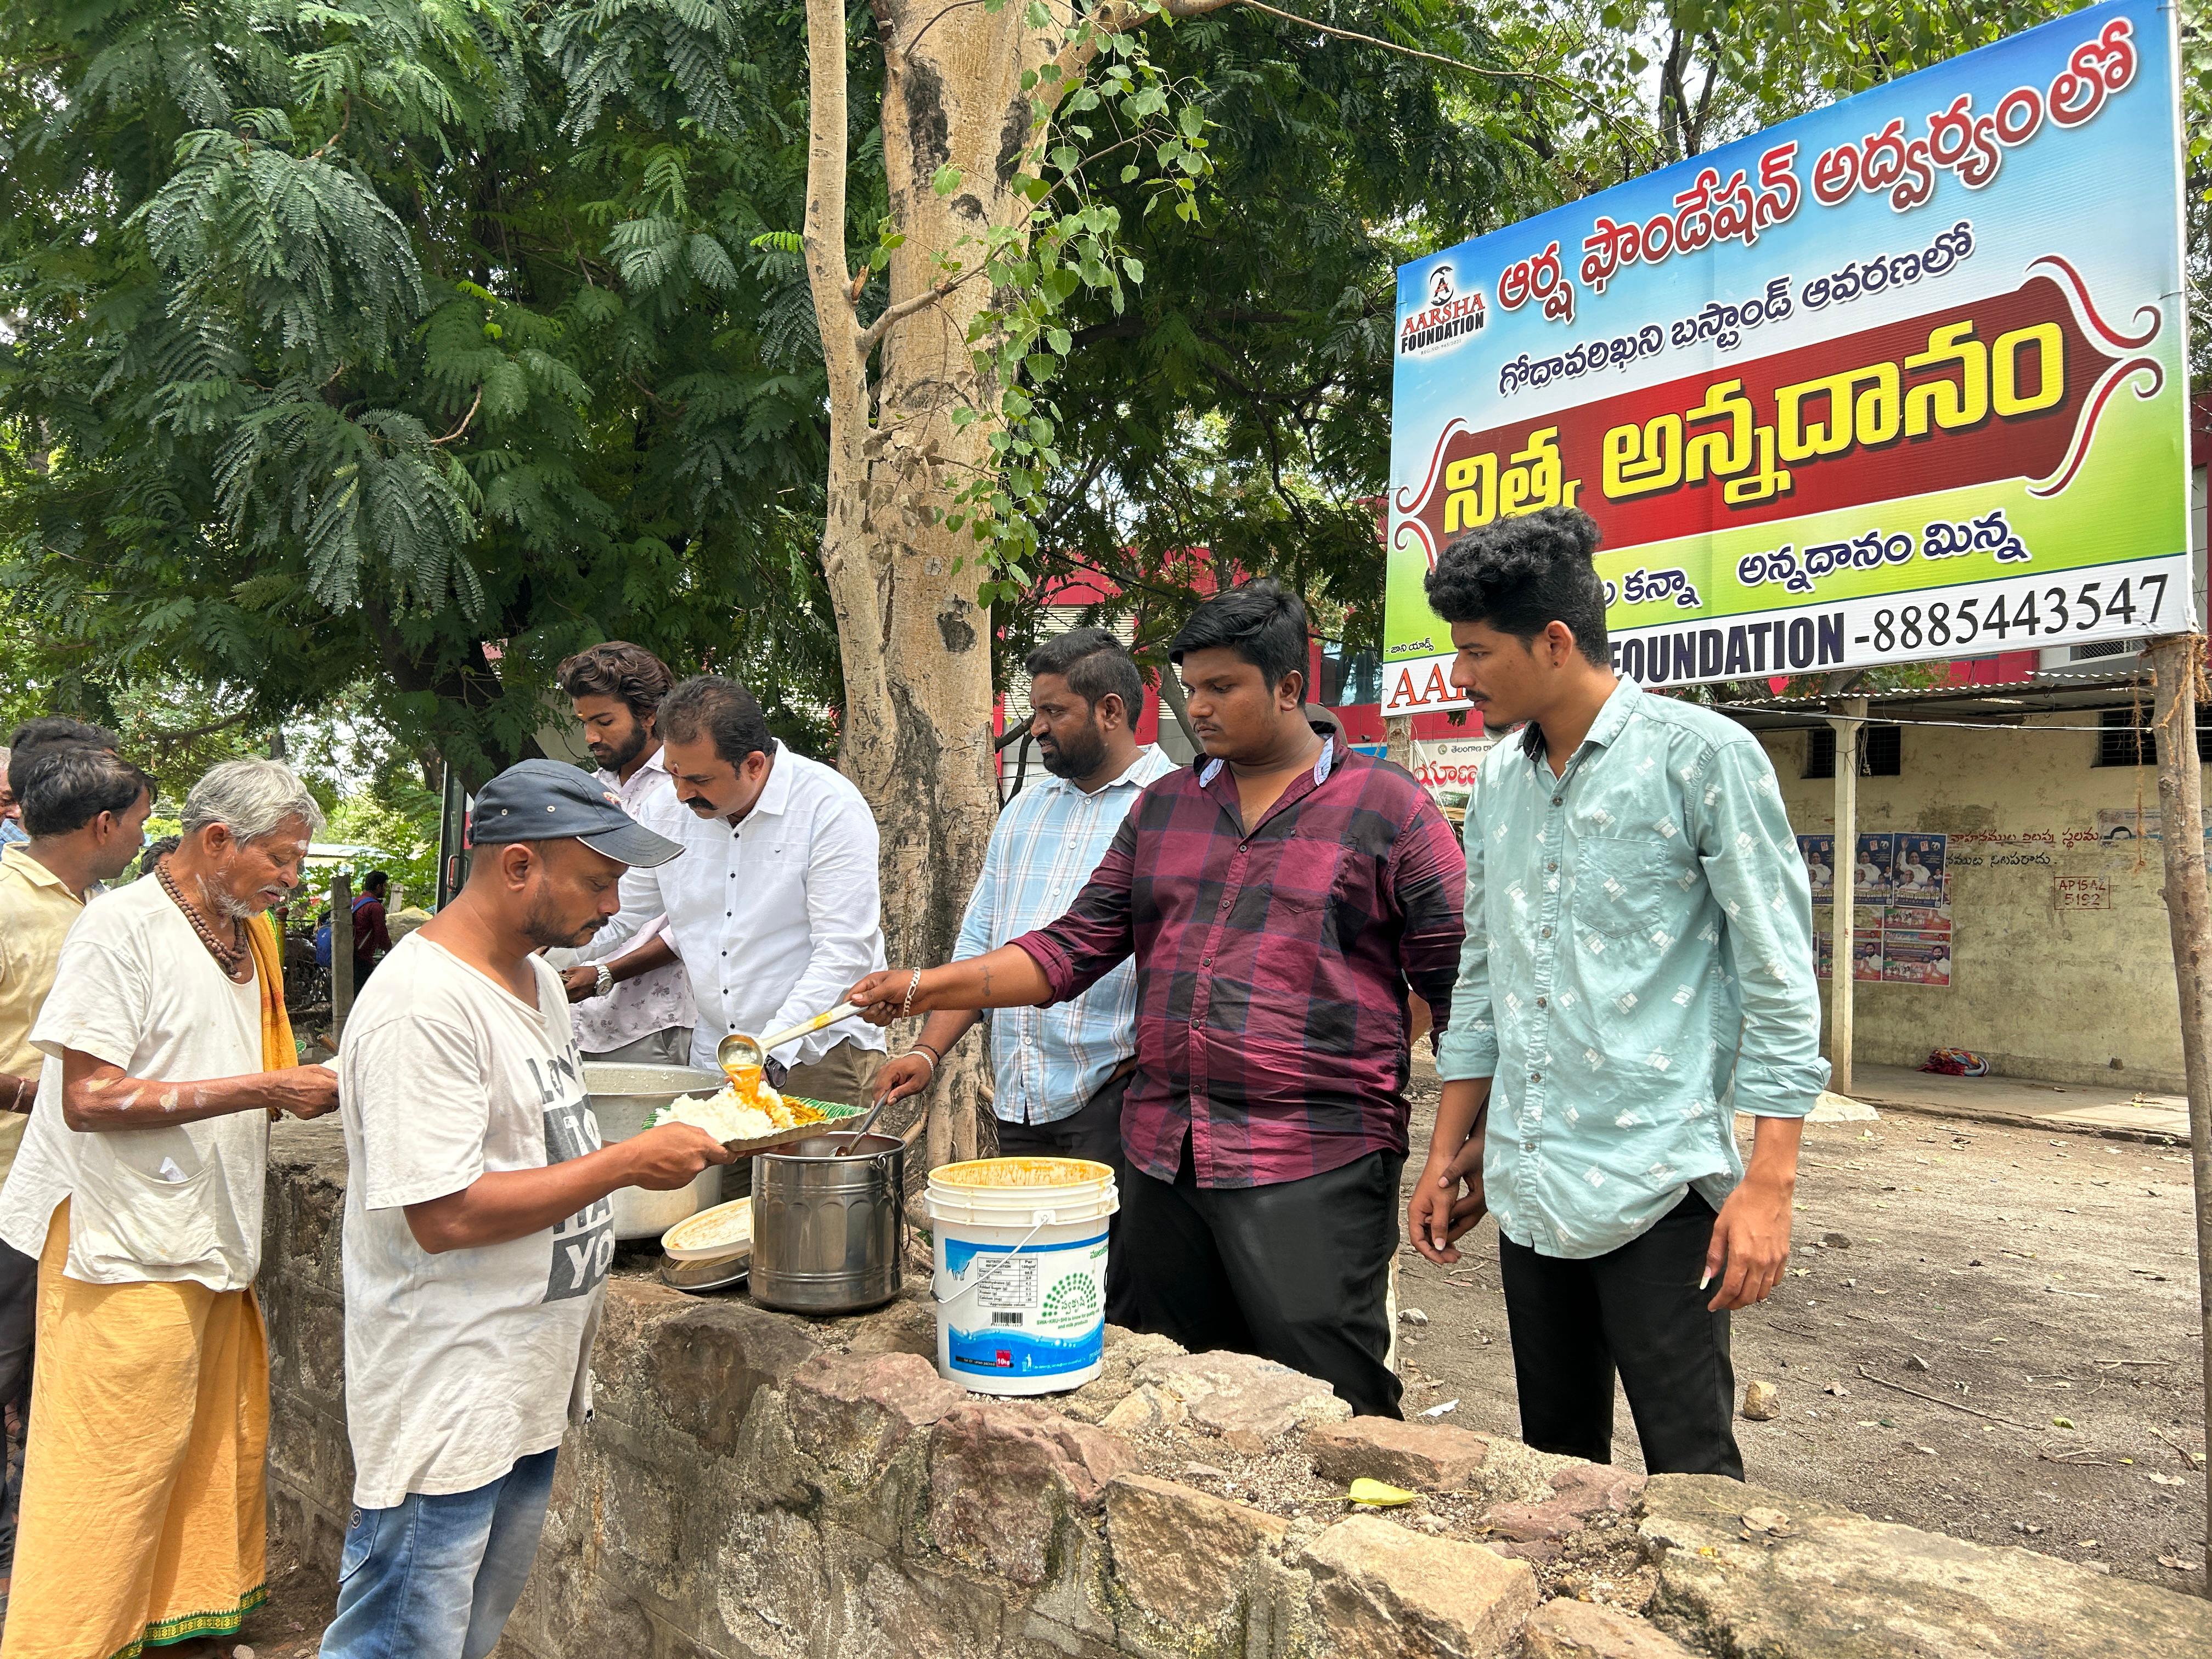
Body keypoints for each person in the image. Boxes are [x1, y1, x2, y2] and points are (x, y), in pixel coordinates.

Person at [847, 580, 1465, 1417]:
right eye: (1191, 688)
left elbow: (1456, 986)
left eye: (1222, 688)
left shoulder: (1391, 810)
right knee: (1170, 1383)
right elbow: (1070, 948)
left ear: (1288, 688)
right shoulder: (1169, 808)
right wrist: (923, 990)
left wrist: (1454, 1143)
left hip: (1311, 1154)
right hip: (1162, 1154)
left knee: (1328, 1391)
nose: (1198, 708)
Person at [1407, 506, 1824, 1479]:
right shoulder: (1500, 785)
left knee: (1690, 1469)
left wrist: (1768, 1183)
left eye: (1473, 651)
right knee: (1555, 1462)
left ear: (1553, 642)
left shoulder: (1702, 757)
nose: (1458, 676)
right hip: (1529, 1181)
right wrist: (1447, 1150)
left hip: (1659, 1186)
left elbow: (1775, 973)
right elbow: (1482, 973)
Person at [320, 761, 730, 1659]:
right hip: (448, 1390)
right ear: (516, 866)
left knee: (466, 1636)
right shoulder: (422, 1005)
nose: (614, 902)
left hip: (523, 1382)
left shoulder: (539, 982)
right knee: (399, 1639)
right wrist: (625, 1162)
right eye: (598, 877)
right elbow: (446, 1214)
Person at [0, 759, 336, 1659]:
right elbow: (92, 1099)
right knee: (114, 1462)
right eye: (283, 858)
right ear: (217, 839)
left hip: (209, 1229)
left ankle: (174, 1623)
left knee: (202, 1448)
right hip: (121, 1238)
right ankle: (67, 1639)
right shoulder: (122, 928)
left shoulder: (249, 934)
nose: (291, 879)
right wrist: (269, 1082)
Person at [874, 630, 1174, 1324]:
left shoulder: (1173, 805)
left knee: (1115, 1295)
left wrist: (915, 984)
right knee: (1033, 1295)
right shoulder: (1028, 809)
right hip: (1022, 1099)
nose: (1035, 729)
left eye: (1052, 712)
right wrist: (928, 1048)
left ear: (1109, 709)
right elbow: (984, 942)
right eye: (1034, 712)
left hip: (1117, 1095)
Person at [0, 746, 155, 1610]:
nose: (141, 837)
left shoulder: (93, 907)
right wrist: (40, 1094)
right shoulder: (9, 905)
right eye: (136, 823)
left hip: (69, 1188)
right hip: (11, 1186)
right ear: (103, 825)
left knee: (47, 1389)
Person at [603, 677, 888, 1106]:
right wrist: (532, 954)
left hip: (818, 1055)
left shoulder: (829, 806)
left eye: (699, 780)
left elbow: (843, 951)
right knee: (708, 1176)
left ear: (754, 765)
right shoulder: (666, 810)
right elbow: (620, 913)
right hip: (717, 1052)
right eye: (673, 775)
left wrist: (769, 1049)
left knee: (800, 1177)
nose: (681, 795)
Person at [554, 642, 697, 1065]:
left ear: (649, 714)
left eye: (603, 721)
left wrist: (605, 973)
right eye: (583, 722)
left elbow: (691, 920)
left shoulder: (685, 791)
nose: (591, 737)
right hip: (578, 1020)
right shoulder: (587, 791)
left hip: (653, 1020)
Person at [352, 869, 394, 985]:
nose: (385, 890)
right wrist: (390, 950)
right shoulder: (375, 907)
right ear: (378, 887)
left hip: (353, 952)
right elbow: (381, 934)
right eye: (384, 886)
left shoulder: (358, 900)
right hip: (363, 957)